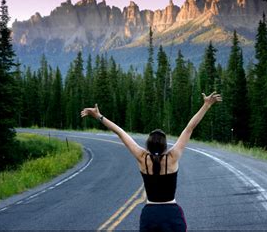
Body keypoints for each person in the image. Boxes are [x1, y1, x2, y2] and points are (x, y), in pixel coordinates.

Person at [81, 91, 222, 232]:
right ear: (165, 145)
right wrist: (206, 105)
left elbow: (120, 132)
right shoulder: (172, 157)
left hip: (150, 215)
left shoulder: (142, 158)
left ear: (148, 144)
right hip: (172, 214)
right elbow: (189, 128)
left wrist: (99, 116)